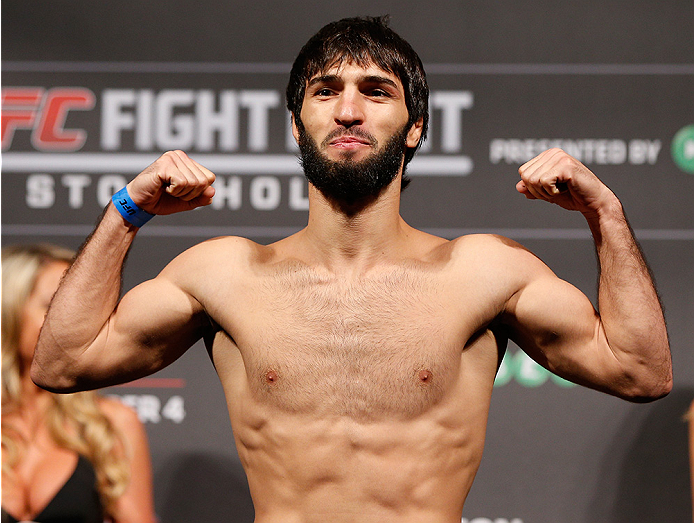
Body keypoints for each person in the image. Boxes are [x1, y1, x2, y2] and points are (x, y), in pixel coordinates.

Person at [32, 16, 672, 522]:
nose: (347, 110)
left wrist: (605, 214)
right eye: (325, 90)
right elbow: (63, 362)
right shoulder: (223, 273)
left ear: (416, 126)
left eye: (376, 91)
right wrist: (126, 211)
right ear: (295, 123)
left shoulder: (483, 271)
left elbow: (641, 371)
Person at [1, 244, 156, 523]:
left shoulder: (110, 425)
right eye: (53, 307)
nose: (68, 323)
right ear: (8, 313)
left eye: (78, 311)